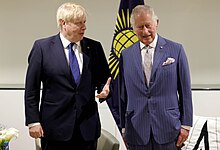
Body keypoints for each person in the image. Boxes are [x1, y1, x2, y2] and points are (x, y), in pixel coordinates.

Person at [24, 2, 111, 150]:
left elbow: (104, 79)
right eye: (78, 23)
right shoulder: (42, 48)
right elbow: (31, 89)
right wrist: (33, 121)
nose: (84, 27)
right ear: (63, 23)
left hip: (87, 128)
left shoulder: (94, 47)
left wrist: (104, 90)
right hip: (54, 128)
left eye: (84, 22)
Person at [119, 5, 193, 150]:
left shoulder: (176, 50)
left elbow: (185, 91)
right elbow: (123, 95)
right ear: (133, 28)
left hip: (169, 129)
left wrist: (186, 125)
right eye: (140, 27)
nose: (145, 31)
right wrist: (123, 127)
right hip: (136, 130)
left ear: (156, 23)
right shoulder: (126, 55)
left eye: (148, 25)